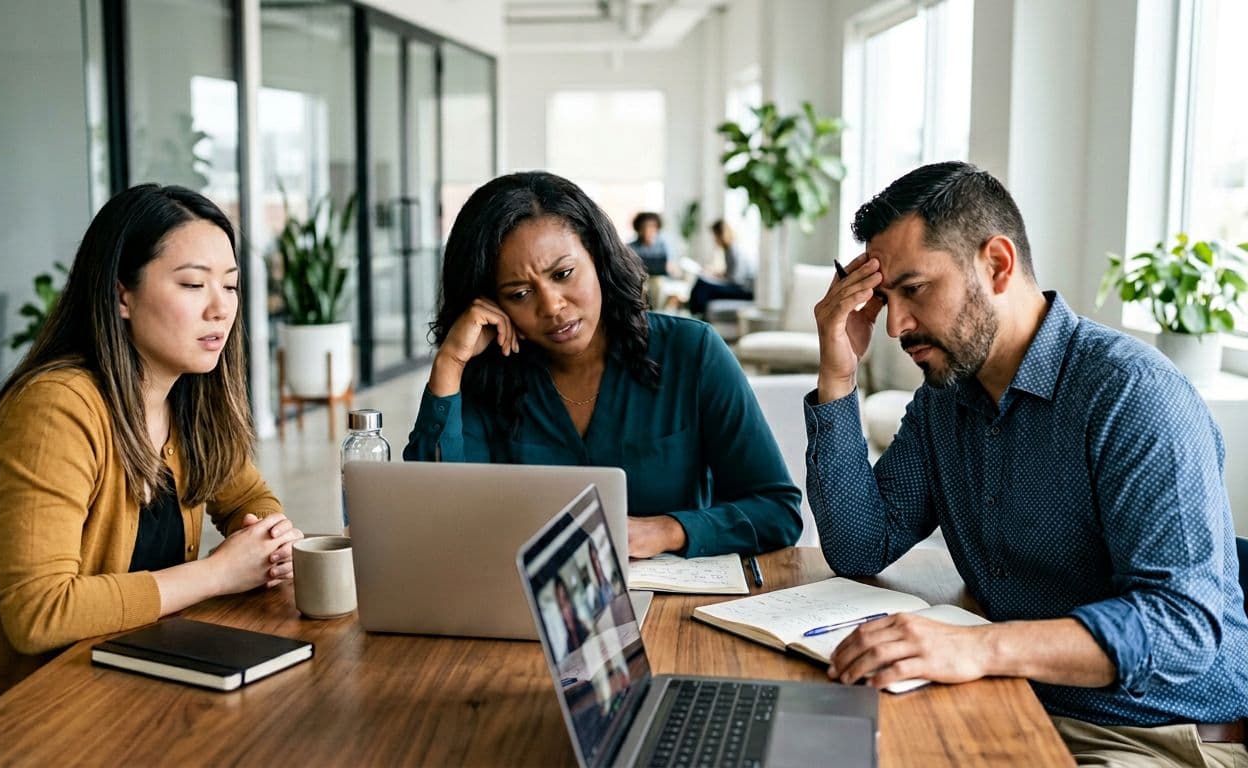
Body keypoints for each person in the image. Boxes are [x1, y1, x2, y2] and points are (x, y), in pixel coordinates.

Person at [807, 161, 1248, 766]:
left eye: (913, 290)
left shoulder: (1132, 394)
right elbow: (861, 547)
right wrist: (838, 374)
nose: (894, 325)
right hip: (1013, 698)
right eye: (884, 299)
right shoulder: (946, 399)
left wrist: (980, 649)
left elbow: (1181, 630)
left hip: (1159, 734)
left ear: (997, 264)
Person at [0, 184, 304, 740]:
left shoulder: (186, 396)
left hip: (119, 677)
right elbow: (38, 613)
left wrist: (263, 538)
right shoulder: (57, 408)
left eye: (231, 285)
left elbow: (247, 498)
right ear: (122, 296)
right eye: (192, 284)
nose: (221, 307)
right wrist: (217, 573)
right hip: (1, 716)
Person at [403, 171, 801, 559]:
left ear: (597, 256)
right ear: (493, 303)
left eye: (563, 274)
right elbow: (437, 522)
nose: (552, 306)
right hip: (519, 611)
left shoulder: (692, 352)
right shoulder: (487, 372)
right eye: (520, 293)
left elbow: (777, 509)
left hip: (674, 607)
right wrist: (450, 364)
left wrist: (666, 530)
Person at [687, 218, 754, 316]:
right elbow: (730, 273)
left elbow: (736, 279)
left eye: (715, 236)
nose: (714, 239)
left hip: (742, 290)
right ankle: (697, 314)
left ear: (721, 235)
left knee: (702, 285)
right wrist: (714, 273)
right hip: (736, 286)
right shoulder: (728, 250)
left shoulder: (734, 250)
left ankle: (696, 315)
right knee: (702, 281)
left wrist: (716, 277)